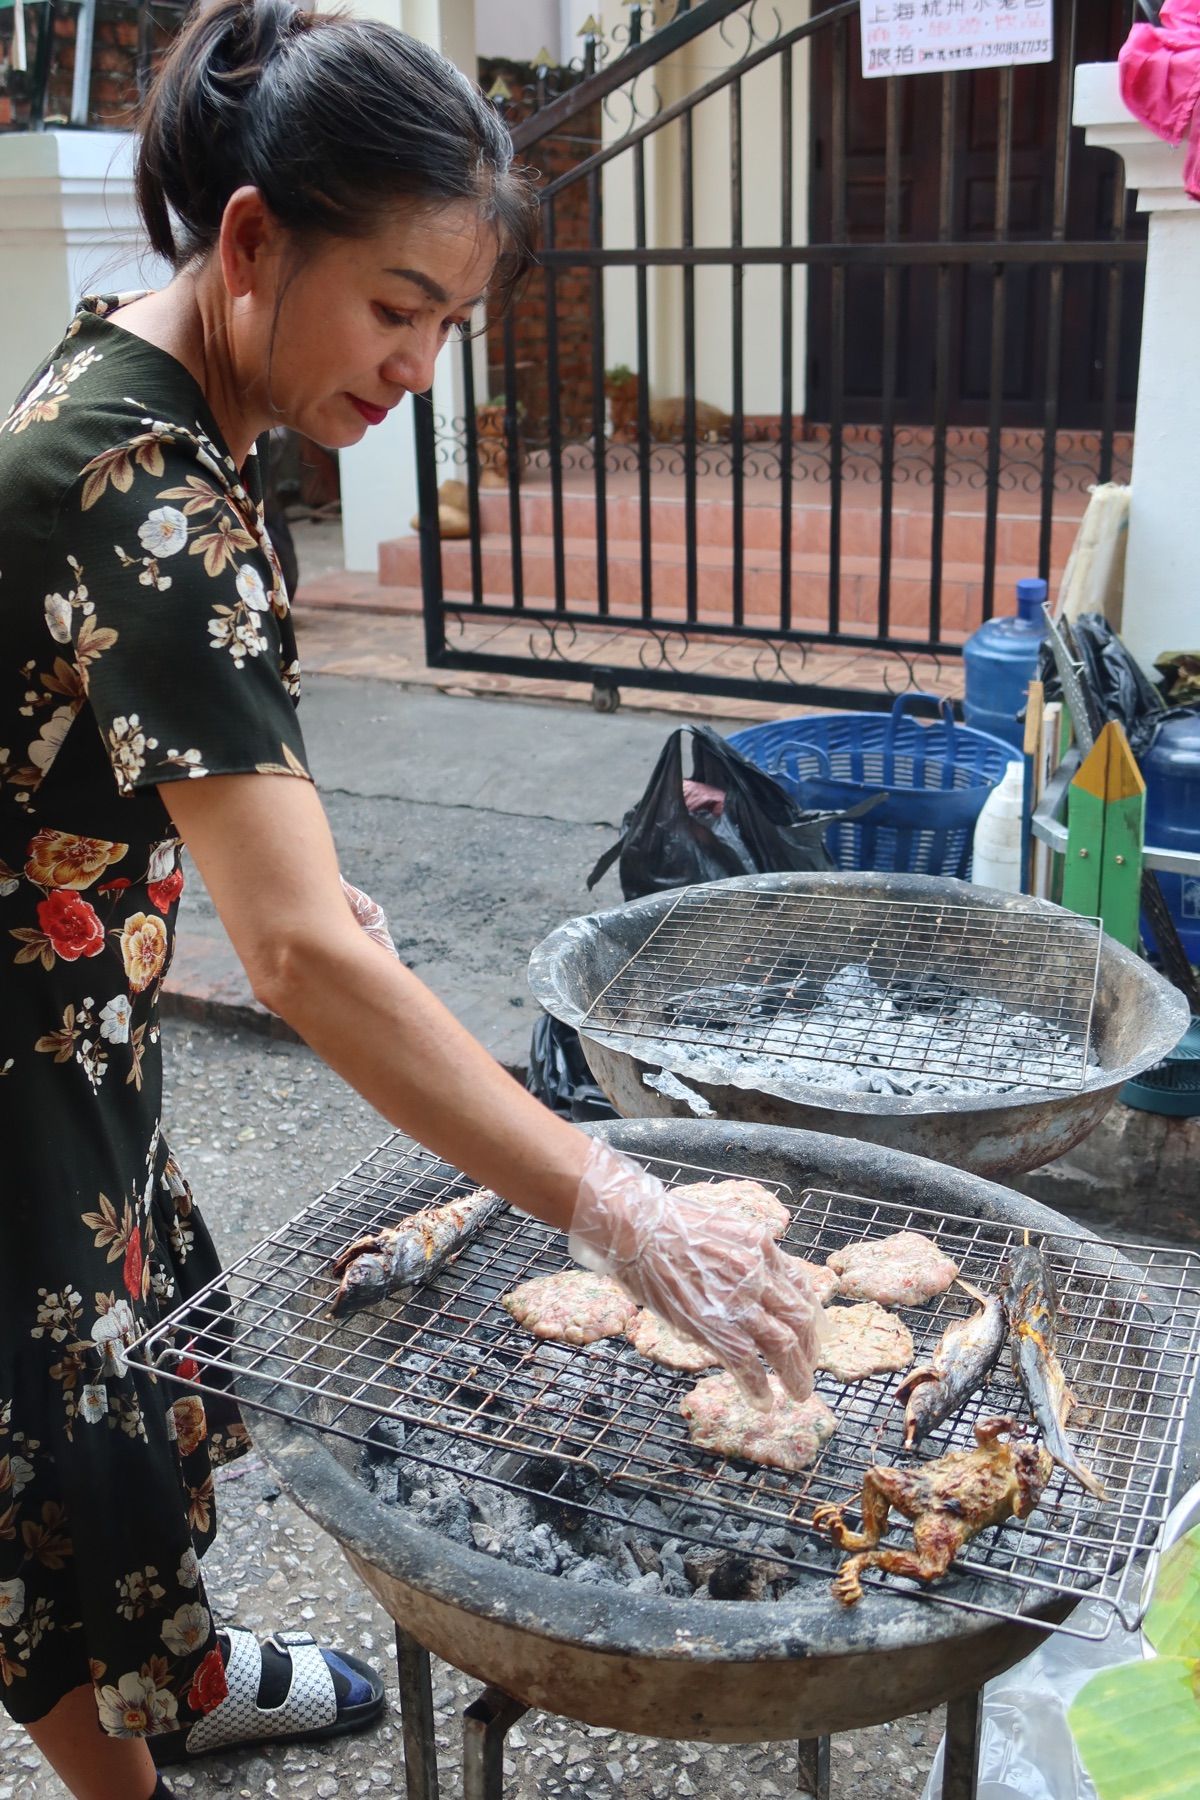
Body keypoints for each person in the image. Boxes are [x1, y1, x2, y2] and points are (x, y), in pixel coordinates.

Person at [0, 4, 825, 1797]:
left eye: (451, 322)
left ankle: (187, 1673)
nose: (422, 367)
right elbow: (295, 959)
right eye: (398, 307)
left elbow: (142, 764)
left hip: (71, 1004)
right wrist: (618, 1204)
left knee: (132, 1374)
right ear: (251, 243)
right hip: (16, 1063)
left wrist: (287, 886)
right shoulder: (142, 490)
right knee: (56, 1461)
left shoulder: (171, 395)